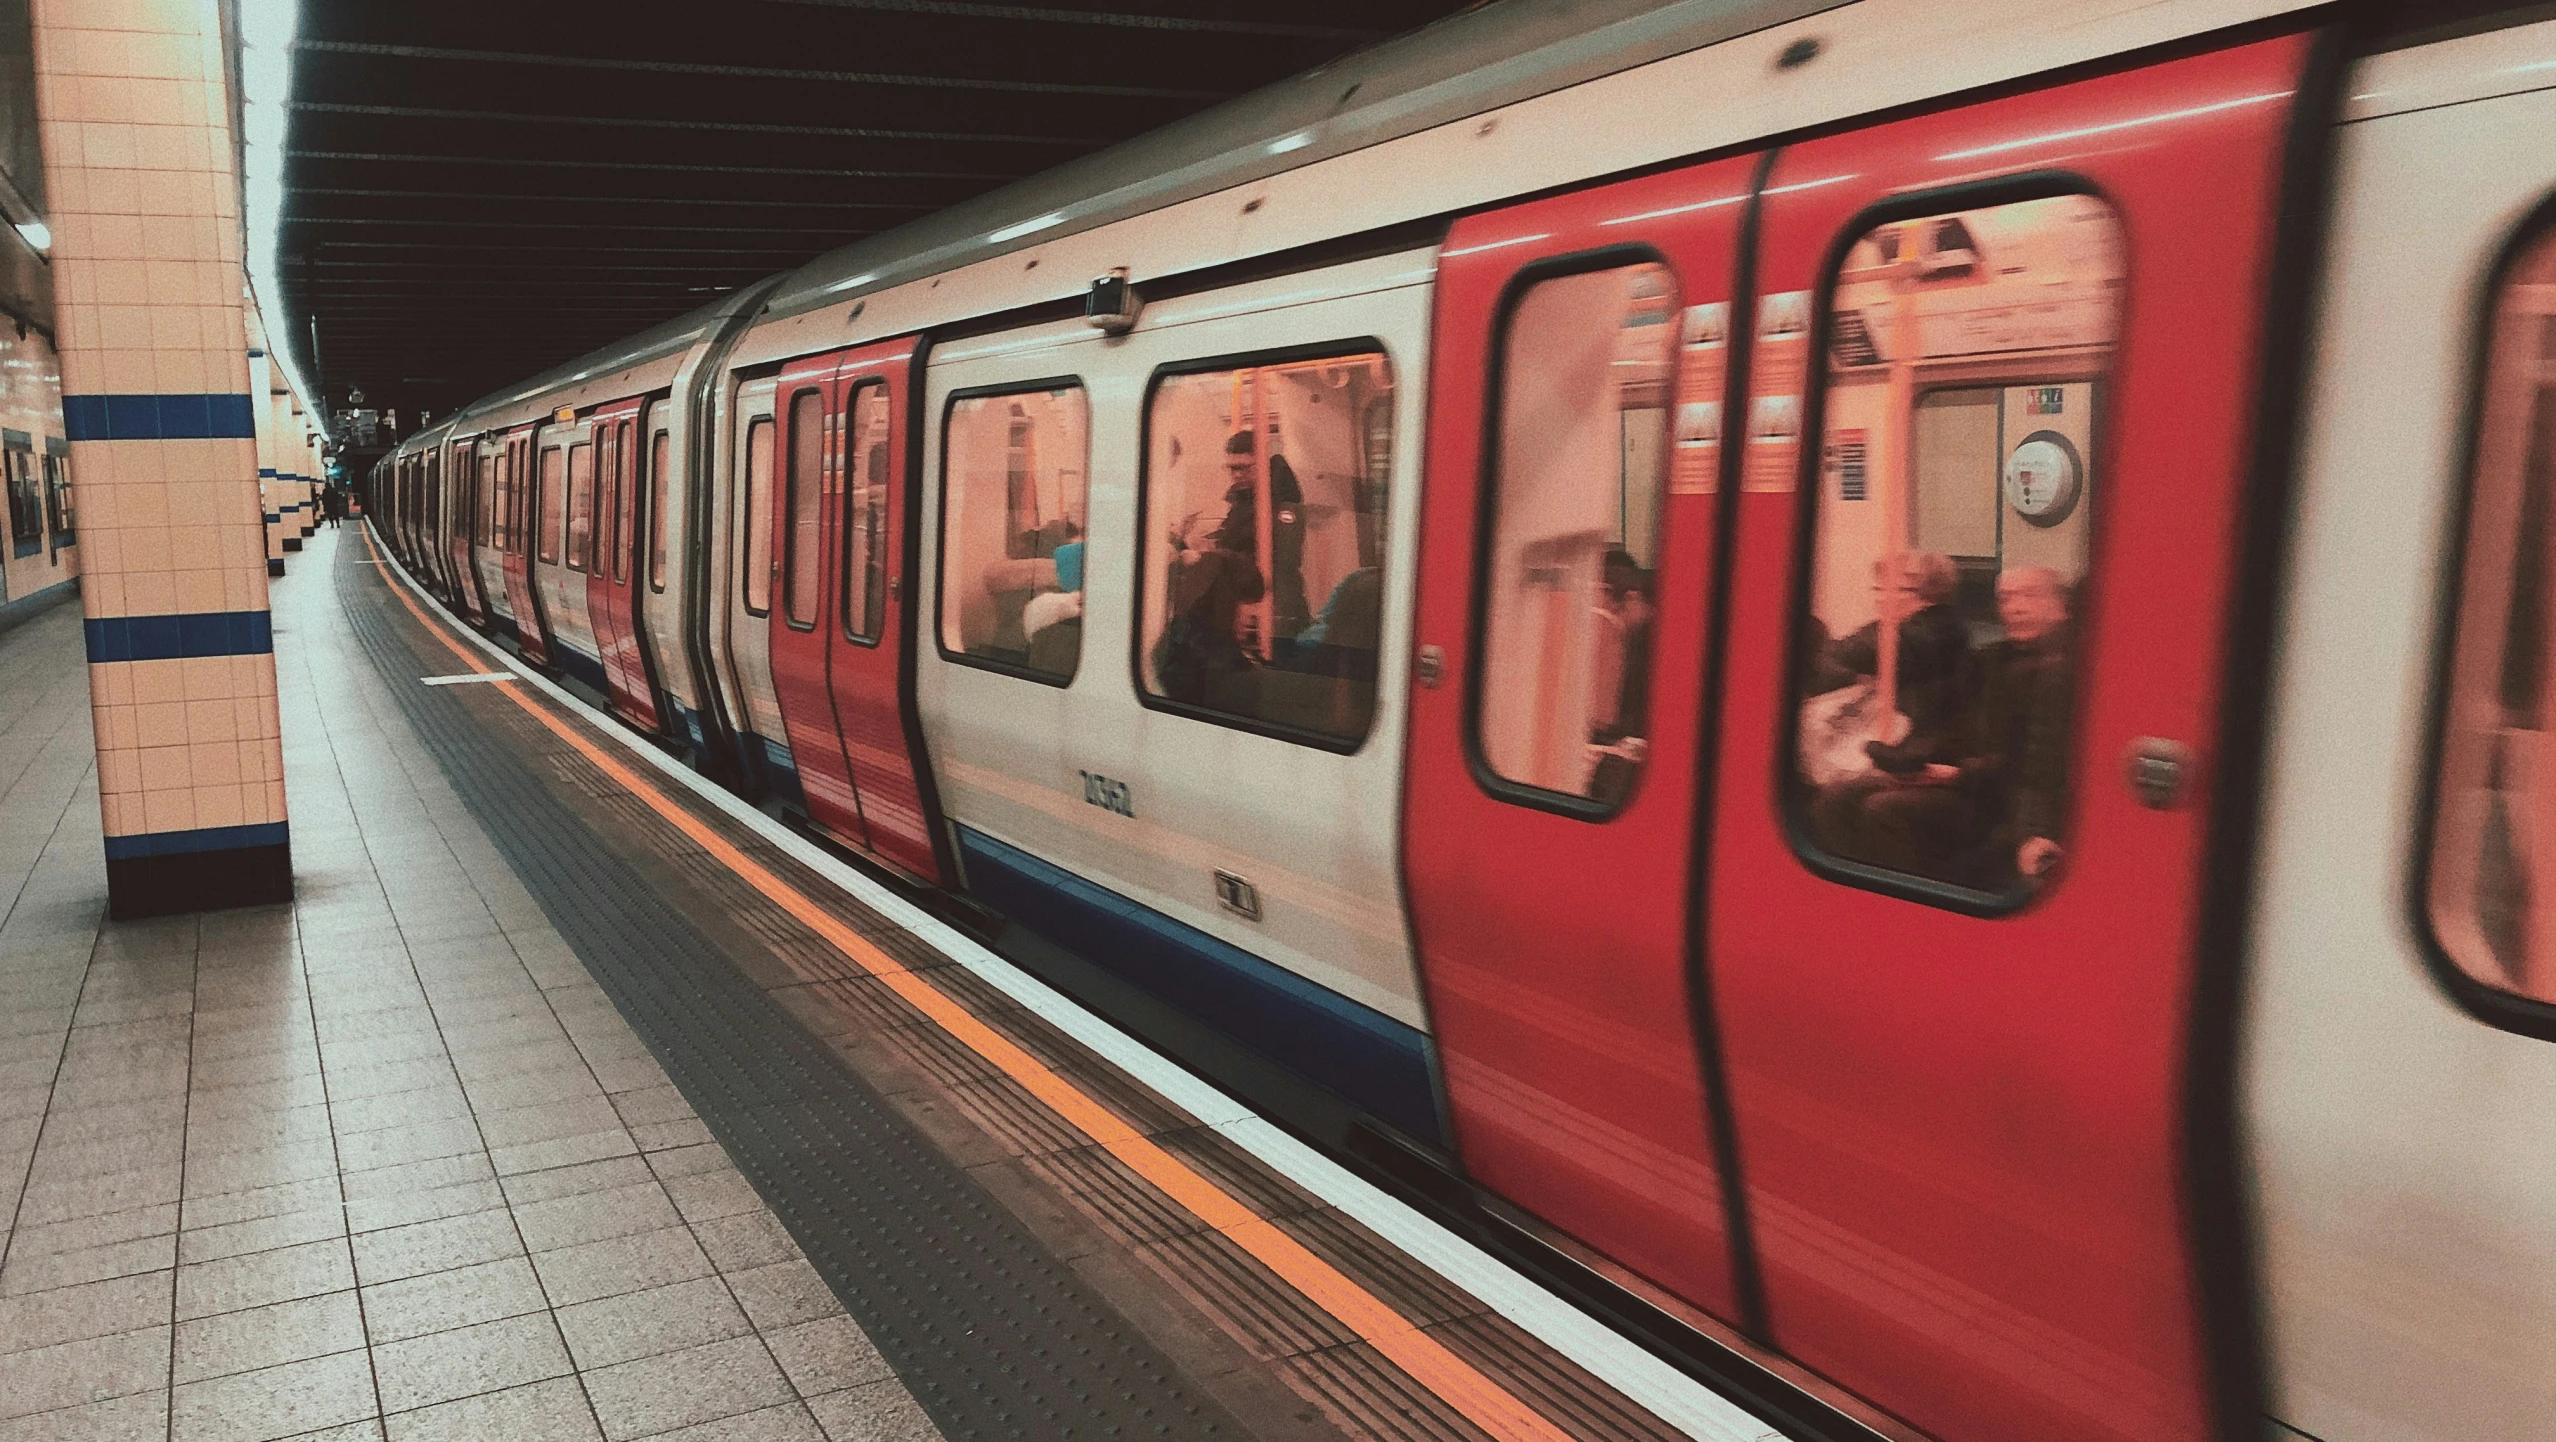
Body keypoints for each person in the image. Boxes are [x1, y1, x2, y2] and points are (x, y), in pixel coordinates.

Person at [1817, 565, 2076, 885]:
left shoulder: (2065, 668)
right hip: (1964, 774)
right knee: (1841, 795)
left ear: (2061, 605)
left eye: (2029, 596)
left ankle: (1912, 902)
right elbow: (1959, 725)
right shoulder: (1990, 659)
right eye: (2006, 598)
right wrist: (1918, 761)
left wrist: (1957, 774)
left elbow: (2032, 763)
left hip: (1999, 797)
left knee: (1885, 809)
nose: (2015, 608)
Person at [1152, 501, 1264, 709]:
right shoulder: (1227, 673)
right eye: (1247, 602)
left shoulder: (1175, 643)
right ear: (1225, 601)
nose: (1254, 615)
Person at [1215, 430, 1309, 640]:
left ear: (1263, 463)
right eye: (1231, 468)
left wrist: (1265, 604)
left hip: (1272, 605)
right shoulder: (1243, 500)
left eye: (1244, 468)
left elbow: (1284, 560)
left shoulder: (1283, 501)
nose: (1236, 474)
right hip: (1247, 598)